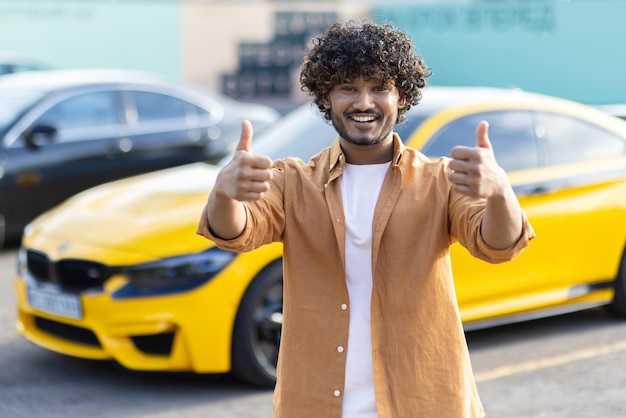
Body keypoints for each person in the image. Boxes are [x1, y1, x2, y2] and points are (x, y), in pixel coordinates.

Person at [197, 20, 535, 418]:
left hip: (424, 401)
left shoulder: (438, 180)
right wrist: (224, 193)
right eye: (348, 88)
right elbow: (234, 231)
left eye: (379, 88)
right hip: (316, 404)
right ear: (327, 96)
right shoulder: (293, 181)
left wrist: (500, 193)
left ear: (401, 96)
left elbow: (498, 245)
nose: (363, 102)